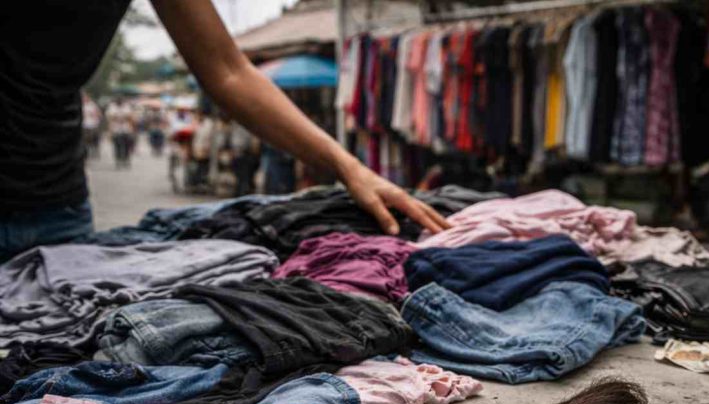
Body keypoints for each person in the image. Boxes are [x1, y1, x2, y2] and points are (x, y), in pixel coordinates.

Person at [0, 2, 447, 262]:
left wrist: (349, 168)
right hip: (49, 203)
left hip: (54, 207)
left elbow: (228, 71)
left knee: (45, 384)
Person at [105, 97, 135, 169]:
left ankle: (126, 159)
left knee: (126, 145)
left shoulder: (127, 107)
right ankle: (118, 159)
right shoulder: (112, 107)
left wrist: (121, 117)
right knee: (117, 145)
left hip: (126, 129)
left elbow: (131, 117)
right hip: (115, 129)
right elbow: (110, 117)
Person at [81, 93, 102, 160]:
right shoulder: (82, 105)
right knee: (84, 139)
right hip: (84, 125)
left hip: (92, 124)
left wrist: (95, 117)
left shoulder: (92, 105)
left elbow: (98, 114)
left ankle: (95, 149)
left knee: (94, 137)